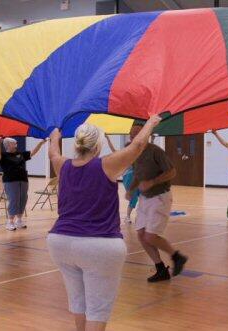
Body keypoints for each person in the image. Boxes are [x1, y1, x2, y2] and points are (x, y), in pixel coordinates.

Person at [46, 116, 161, 331]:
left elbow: (53, 152)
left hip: (60, 242)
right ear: (98, 144)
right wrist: (151, 123)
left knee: (78, 303)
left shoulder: (63, 165)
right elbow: (137, 146)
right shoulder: (106, 165)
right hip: (99, 246)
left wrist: (54, 136)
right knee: (97, 309)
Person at [127, 126, 188, 283]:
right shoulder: (133, 152)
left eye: (137, 135)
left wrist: (153, 181)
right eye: (131, 135)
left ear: (145, 136)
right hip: (144, 198)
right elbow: (137, 174)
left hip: (160, 197)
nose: (134, 138)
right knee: (141, 235)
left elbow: (172, 172)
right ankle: (161, 269)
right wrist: (132, 189)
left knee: (151, 236)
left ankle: (177, 256)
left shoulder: (155, 151)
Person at [0, 137, 46, 231]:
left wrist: (41, 143)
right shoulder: (4, 155)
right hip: (10, 181)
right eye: (14, 143)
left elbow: (32, 152)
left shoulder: (20, 154)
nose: (16, 144)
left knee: (23, 199)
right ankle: (10, 222)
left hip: (23, 180)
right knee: (14, 199)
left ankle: (19, 220)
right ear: (8, 145)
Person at [104, 134, 139, 223]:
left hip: (137, 178)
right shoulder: (123, 158)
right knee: (133, 197)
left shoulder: (136, 156)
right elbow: (113, 150)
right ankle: (127, 217)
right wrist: (108, 139)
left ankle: (139, 215)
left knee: (142, 195)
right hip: (128, 178)